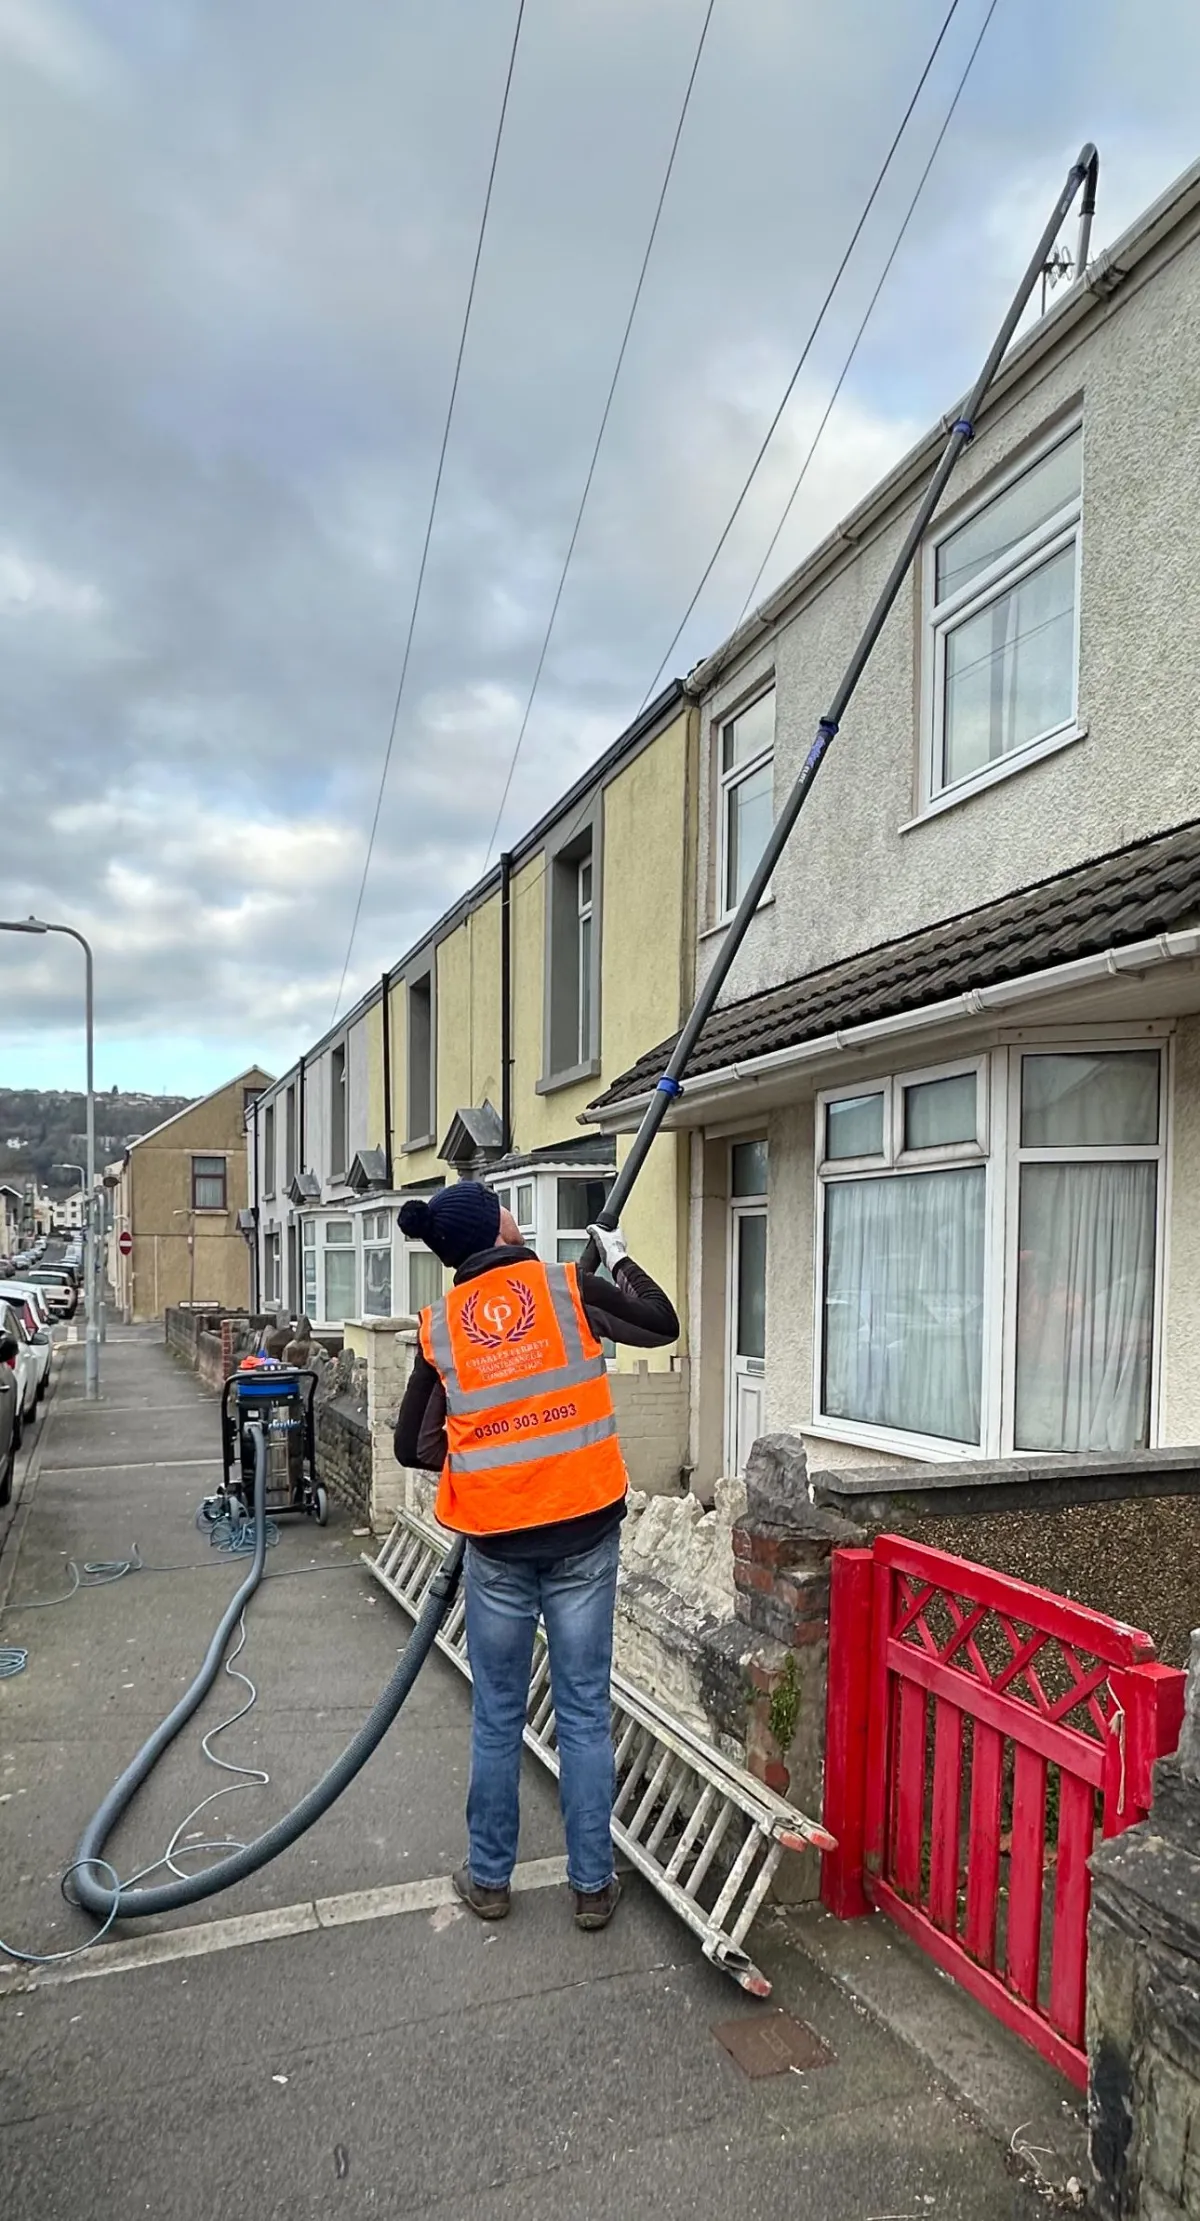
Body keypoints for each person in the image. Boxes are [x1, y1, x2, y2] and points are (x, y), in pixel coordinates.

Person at [394, 1178, 678, 1931]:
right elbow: (659, 1323)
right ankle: (591, 1886)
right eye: (505, 1203)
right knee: (583, 1713)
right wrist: (617, 1259)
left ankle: (489, 1880)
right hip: (585, 1536)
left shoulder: (443, 1326)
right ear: (497, 1224)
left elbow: (413, 1444)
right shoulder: (566, 1287)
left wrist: (485, 1454)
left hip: (497, 1548)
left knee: (496, 1716)